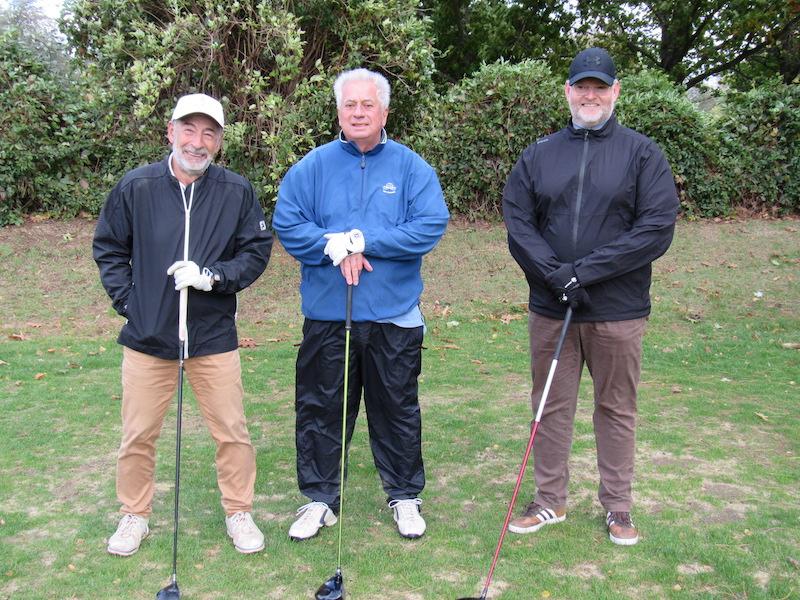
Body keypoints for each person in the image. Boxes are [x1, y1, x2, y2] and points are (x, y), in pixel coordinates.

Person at [502, 48, 679, 546]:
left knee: (616, 407)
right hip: (552, 309)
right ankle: (549, 500)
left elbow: (655, 228)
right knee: (550, 406)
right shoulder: (539, 154)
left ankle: (618, 507)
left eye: (600, 87)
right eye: (582, 86)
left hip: (617, 310)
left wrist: (584, 273)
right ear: (568, 91)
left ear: (616, 92)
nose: (591, 95)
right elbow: (518, 223)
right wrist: (557, 277)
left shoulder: (643, 153)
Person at [272, 68, 449, 541]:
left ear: (384, 111)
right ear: (338, 111)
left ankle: (405, 495)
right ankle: (319, 499)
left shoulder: (411, 167)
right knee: (321, 407)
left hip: (393, 315)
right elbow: (288, 222)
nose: (357, 112)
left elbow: (430, 224)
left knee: (396, 409)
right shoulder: (312, 167)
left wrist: (365, 241)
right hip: (329, 314)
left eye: (366, 105)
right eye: (349, 104)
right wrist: (333, 247)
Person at [93, 93, 273, 556]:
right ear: (170, 132)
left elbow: (255, 253)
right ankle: (134, 515)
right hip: (148, 336)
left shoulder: (236, 191)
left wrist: (213, 276)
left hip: (212, 336)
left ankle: (239, 511)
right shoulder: (136, 186)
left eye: (209, 132)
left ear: (219, 141)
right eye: (189, 130)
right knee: (137, 435)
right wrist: (131, 303)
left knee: (232, 431)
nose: (198, 142)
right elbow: (110, 247)